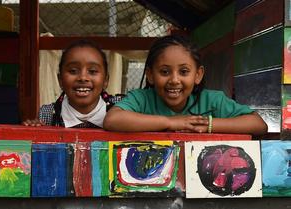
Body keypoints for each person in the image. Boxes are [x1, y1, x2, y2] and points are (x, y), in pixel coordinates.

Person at [103, 34, 268, 136]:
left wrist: (207, 125)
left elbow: (258, 124)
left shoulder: (212, 100)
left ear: (198, 75)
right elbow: (113, 119)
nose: (174, 80)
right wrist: (171, 122)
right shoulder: (142, 98)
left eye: (183, 72)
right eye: (165, 72)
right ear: (150, 75)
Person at [23, 39, 114, 128]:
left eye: (92, 71)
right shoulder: (48, 114)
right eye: (73, 71)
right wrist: (34, 129)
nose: (83, 78)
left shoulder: (120, 109)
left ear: (106, 80)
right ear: (60, 80)